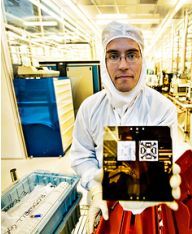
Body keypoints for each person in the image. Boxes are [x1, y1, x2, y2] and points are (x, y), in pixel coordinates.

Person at [70, 21, 181, 234]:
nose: (123, 65)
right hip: (106, 202)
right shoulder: (89, 108)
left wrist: (154, 183)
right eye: (113, 56)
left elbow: (154, 168)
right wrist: (95, 187)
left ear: (142, 59)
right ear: (104, 61)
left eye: (131, 55)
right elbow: (82, 155)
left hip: (151, 206)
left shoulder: (162, 109)